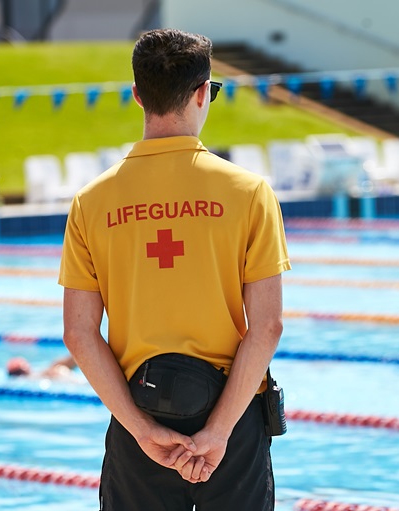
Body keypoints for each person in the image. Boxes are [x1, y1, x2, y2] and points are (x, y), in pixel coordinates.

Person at [58, 29, 291, 511]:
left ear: (138, 94)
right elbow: (266, 326)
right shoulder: (248, 192)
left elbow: (79, 333)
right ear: (204, 92)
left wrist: (143, 431)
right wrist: (217, 433)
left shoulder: (92, 202)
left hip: (137, 420)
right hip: (233, 420)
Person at [6, 355, 79, 381]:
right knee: (57, 366)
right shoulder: (28, 377)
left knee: (57, 364)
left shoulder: (32, 376)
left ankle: (78, 355)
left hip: (56, 373)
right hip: (58, 375)